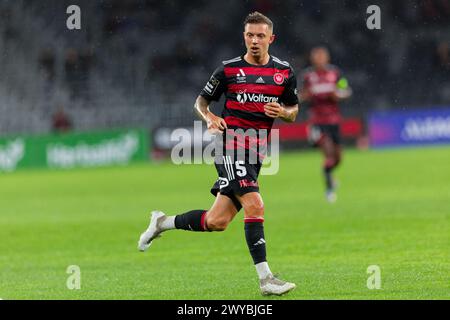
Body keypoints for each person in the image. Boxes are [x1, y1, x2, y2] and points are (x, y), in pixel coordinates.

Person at [138, 12, 299, 296]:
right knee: (255, 204)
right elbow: (200, 101)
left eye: (260, 35)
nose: (254, 41)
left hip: (256, 152)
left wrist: (284, 112)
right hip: (230, 145)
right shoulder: (228, 70)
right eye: (250, 35)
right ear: (244, 37)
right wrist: (209, 116)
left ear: (271, 39)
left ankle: (162, 222)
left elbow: (293, 111)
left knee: (217, 222)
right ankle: (266, 280)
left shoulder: (284, 73)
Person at [300, 46, 351, 203]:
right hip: (317, 122)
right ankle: (329, 190)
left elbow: (346, 90)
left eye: (322, 56)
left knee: (338, 158)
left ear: (327, 58)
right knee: (328, 154)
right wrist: (305, 96)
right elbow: (297, 96)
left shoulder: (335, 73)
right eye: (317, 57)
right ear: (312, 59)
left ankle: (329, 173)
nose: (320, 59)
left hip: (334, 121)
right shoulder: (307, 76)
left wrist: (338, 95)